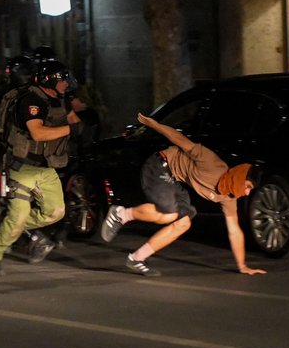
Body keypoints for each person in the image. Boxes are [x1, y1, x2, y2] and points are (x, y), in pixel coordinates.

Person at [100, 113, 267, 277]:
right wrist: (155, 125)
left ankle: (137, 258)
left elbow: (234, 231)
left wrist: (243, 266)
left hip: (173, 179)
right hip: (160, 165)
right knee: (169, 214)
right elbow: (181, 141)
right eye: (247, 186)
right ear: (239, 177)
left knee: (184, 223)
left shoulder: (229, 197)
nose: (246, 193)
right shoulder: (212, 164)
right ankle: (121, 213)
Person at [0, 58, 82, 274]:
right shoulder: (31, 101)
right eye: (62, 79)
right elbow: (38, 133)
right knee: (17, 215)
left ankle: (8, 230)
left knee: (55, 212)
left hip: (47, 166)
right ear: (49, 80)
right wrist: (70, 131)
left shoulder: (59, 99)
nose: (66, 83)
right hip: (23, 167)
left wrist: (83, 126)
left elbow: (73, 119)